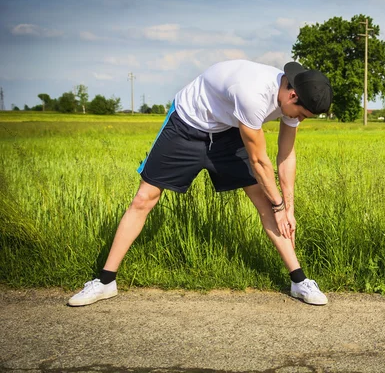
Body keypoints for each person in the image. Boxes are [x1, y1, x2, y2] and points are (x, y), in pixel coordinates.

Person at [68, 59, 333, 307]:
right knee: (144, 198)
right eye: (302, 114)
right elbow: (260, 162)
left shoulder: (296, 93)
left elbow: (286, 155)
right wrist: (279, 206)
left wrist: (289, 207)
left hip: (226, 130)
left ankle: (299, 281)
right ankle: (105, 282)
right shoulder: (253, 94)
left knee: (265, 201)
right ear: (291, 95)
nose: (299, 120)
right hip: (186, 125)